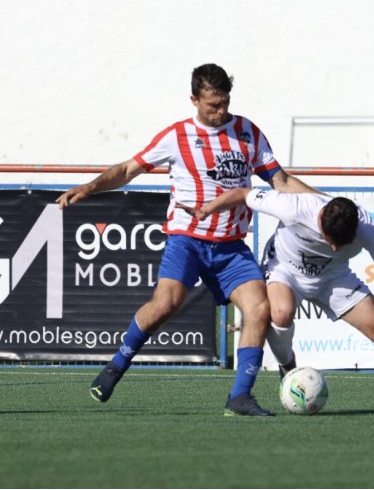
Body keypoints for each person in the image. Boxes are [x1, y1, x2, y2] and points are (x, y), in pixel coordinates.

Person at [57, 63, 317, 417]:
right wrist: (90, 187)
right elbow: (127, 170)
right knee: (165, 304)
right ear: (194, 100)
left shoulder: (247, 132)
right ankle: (116, 366)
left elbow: (281, 182)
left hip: (231, 247)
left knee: (259, 309)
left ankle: (240, 397)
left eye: (225, 103)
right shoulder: (176, 136)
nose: (221, 111)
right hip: (187, 241)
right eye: (213, 105)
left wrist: (325, 203)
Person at [181, 188, 374, 415]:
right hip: (285, 269)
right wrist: (207, 209)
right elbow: (244, 194)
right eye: (330, 241)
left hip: (333, 277)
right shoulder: (294, 207)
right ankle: (288, 367)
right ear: (320, 219)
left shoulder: (367, 228)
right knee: (280, 313)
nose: (336, 247)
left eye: (341, 243)